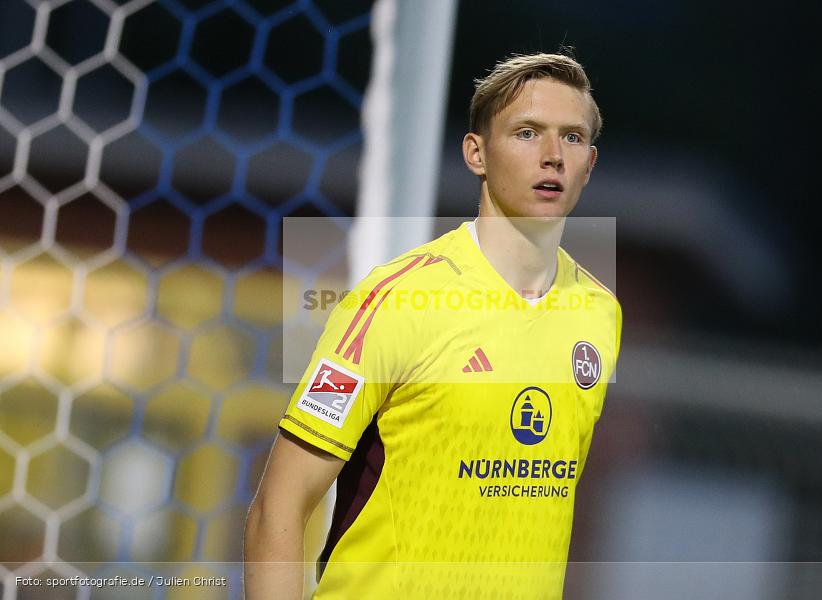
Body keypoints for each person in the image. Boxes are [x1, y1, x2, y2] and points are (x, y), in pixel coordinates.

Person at [244, 51, 622, 599]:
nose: (551, 156)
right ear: (477, 153)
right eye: (526, 133)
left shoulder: (599, 313)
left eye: (570, 138)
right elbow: (276, 510)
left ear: (589, 162)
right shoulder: (396, 300)